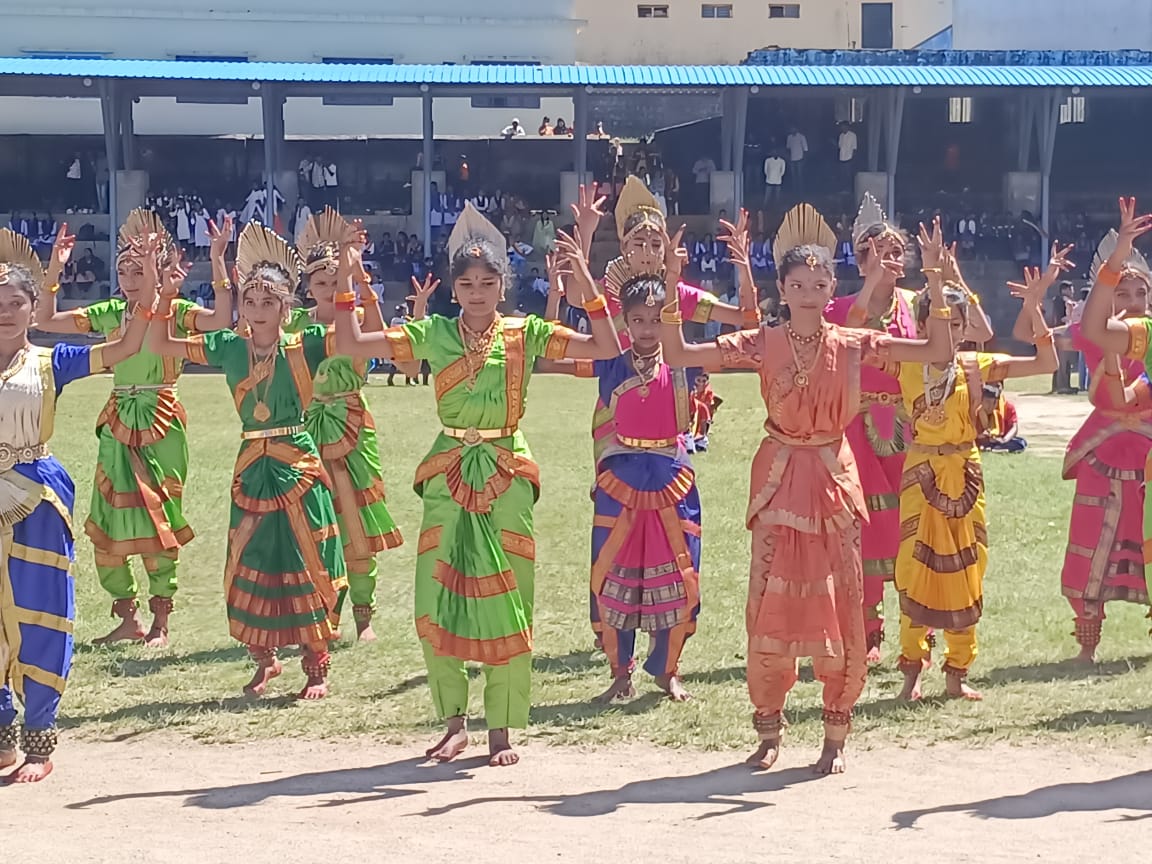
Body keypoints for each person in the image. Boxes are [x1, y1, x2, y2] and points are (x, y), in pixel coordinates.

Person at [659, 204, 952, 775]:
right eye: (799, 285)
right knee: (769, 599)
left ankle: (835, 732)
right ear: (783, 288)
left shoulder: (852, 342)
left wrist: (937, 280)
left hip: (834, 478)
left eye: (820, 284)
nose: (811, 293)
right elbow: (679, 354)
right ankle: (769, 728)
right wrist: (672, 287)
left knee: (842, 598)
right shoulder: (762, 341)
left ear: (832, 286)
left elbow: (935, 352)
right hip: (779, 478)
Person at [331, 203, 622, 767]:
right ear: (453, 289)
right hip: (447, 469)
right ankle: (453, 722)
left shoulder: (525, 333)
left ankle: (503, 728)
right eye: (466, 283)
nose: (477, 291)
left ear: (503, 285)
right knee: (437, 592)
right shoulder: (433, 333)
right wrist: (347, 275)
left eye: (488, 282)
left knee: (511, 597)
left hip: (507, 470)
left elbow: (605, 347)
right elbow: (353, 345)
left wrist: (585, 279)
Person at [147, 222, 347, 698]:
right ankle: (264, 658)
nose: (258, 311)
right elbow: (159, 344)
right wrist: (167, 292)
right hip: (251, 465)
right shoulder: (228, 347)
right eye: (251, 301)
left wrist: (349, 276)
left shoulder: (306, 344)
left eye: (269, 303)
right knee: (251, 556)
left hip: (296, 461)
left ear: (286, 306)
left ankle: (316, 665)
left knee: (305, 555)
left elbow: (353, 334)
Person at [35, 212, 234, 647]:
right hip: (118, 418)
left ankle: (162, 619)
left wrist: (217, 260)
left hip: (162, 419)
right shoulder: (111, 312)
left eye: (138, 270)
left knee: (160, 516)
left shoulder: (176, 313)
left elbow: (221, 321)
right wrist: (55, 267)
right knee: (106, 515)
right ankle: (128, 616)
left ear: (159, 271)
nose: (128, 278)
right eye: (123, 270)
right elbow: (45, 320)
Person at [0, 228, 149, 783]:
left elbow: (125, 349)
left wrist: (147, 292)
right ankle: (0, 735)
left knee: (40, 610)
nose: (6, 314)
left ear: (33, 307)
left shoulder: (50, 361)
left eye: (16, 304)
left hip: (35, 495)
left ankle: (39, 739)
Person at [889, 262, 1056, 703]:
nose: (947, 330)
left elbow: (1046, 361)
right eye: (937, 321)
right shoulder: (905, 360)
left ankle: (958, 671)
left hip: (965, 472)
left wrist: (1035, 307)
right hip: (921, 472)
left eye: (956, 324)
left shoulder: (976, 365)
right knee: (913, 567)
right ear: (922, 324)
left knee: (968, 568)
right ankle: (911, 670)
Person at [539, 265, 702, 705]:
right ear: (624, 323)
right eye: (638, 321)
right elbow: (550, 357)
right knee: (612, 577)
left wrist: (743, 272)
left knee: (680, 576)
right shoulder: (610, 362)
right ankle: (619, 672)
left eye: (655, 320)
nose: (647, 330)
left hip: (672, 477)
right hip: (621, 476)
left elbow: (747, 324)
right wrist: (570, 285)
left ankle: (668, 670)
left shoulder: (685, 362)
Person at [290, 208, 406, 642]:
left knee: (356, 519)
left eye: (334, 279)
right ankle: (323, 610)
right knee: (314, 518)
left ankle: (364, 614)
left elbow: (384, 342)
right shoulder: (295, 324)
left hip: (353, 424)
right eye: (320, 281)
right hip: (308, 425)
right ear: (307, 286)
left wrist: (362, 287)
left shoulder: (353, 318)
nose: (327, 287)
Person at [1059, 212, 1152, 662]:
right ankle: (1087, 645)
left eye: (1142, 293)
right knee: (1093, 541)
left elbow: (1134, 395)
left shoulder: (1148, 335)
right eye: (1124, 293)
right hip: (1103, 450)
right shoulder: (1102, 336)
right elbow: (1040, 340)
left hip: (1148, 455)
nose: (1135, 301)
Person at [976, 383, 1027, 453]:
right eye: (986, 402)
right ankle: (991, 448)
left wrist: (1004, 440)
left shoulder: (1007, 407)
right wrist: (982, 436)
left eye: (990, 402)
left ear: (996, 402)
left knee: (1021, 442)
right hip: (982, 440)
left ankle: (995, 448)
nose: (988, 406)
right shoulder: (976, 409)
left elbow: (1014, 427)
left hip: (1001, 440)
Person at [786, 127, 808, 193]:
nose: (791, 129)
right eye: (790, 128)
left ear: (796, 128)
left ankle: (801, 190)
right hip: (792, 159)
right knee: (793, 176)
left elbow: (805, 149)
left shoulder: (801, 137)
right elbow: (788, 148)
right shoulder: (789, 137)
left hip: (800, 158)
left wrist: (804, 159)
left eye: (793, 128)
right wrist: (788, 157)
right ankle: (794, 190)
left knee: (799, 175)